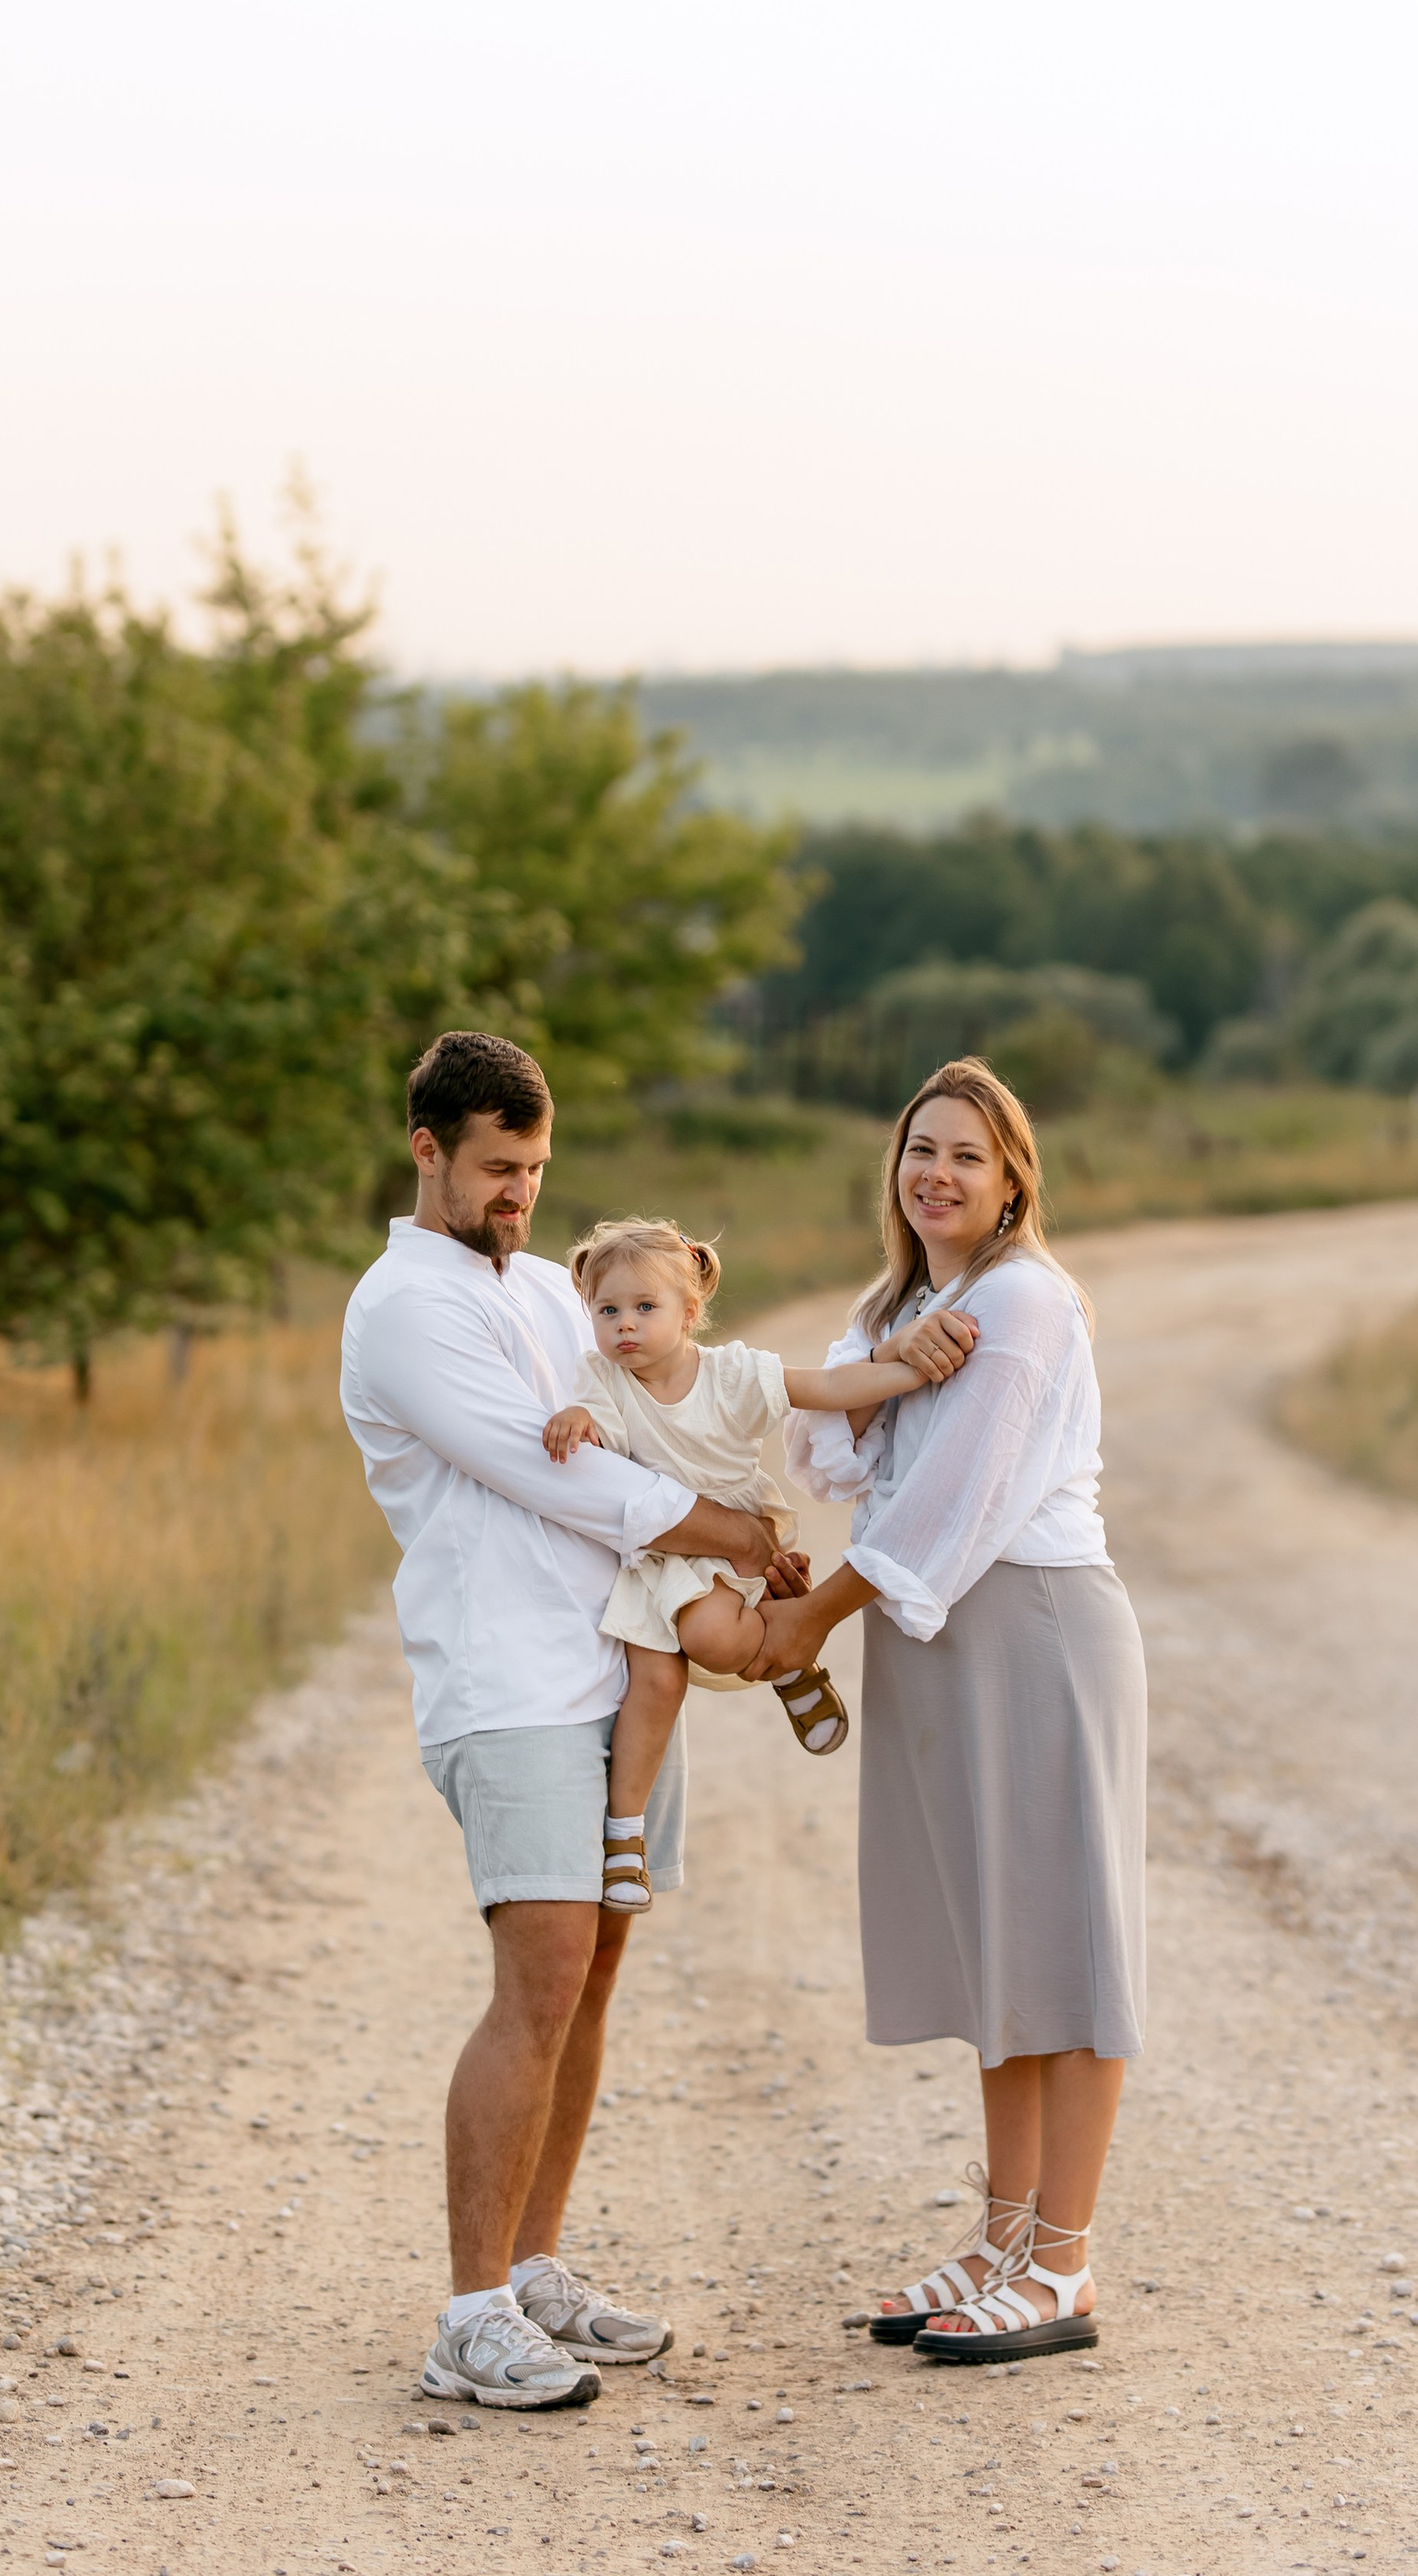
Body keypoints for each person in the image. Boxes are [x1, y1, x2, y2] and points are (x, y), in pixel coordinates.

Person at [339, 1033, 785, 2413]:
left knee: (592, 1973)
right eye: (497, 1169)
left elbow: (669, 1404)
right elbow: (569, 1485)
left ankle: (535, 2268)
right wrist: (731, 1532)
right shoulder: (402, 1310)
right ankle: (469, 2317)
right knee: (535, 1982)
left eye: (536, 1167)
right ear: (428, 1152)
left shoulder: (550, 1289)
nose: (522, 1194)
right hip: (507, 1682)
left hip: (615, 1670)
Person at [759, 1055, 1148, 2363]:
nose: (937, 1173)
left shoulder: (1025, 1300)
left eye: (967, 1155)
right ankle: (1002, 2239)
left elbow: (953, 1498)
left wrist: (812, 1617)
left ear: (1012, 1180)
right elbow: (827, 1453)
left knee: (1067, 1947)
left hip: (1033, 1627)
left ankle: (1063, 2264)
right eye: (921, 1149)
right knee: (999, 1949)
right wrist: (883, 1358)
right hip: (935, 1636)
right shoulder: (909, 1307)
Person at [541, 1213, 962, 1911]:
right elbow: (592, 1422)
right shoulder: (603, 1380)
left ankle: (786, 1659)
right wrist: (576, 1419)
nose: (625, 1326)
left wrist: (906, 1370)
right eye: (607, 1311)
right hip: (662, 1553)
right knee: (654, 1686)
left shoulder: (731, 1374)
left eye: (645, 1307)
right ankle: (625, 1840)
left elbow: (827, 1389)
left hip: (733, 1540)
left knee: (713, 1638)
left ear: (689, 1311)